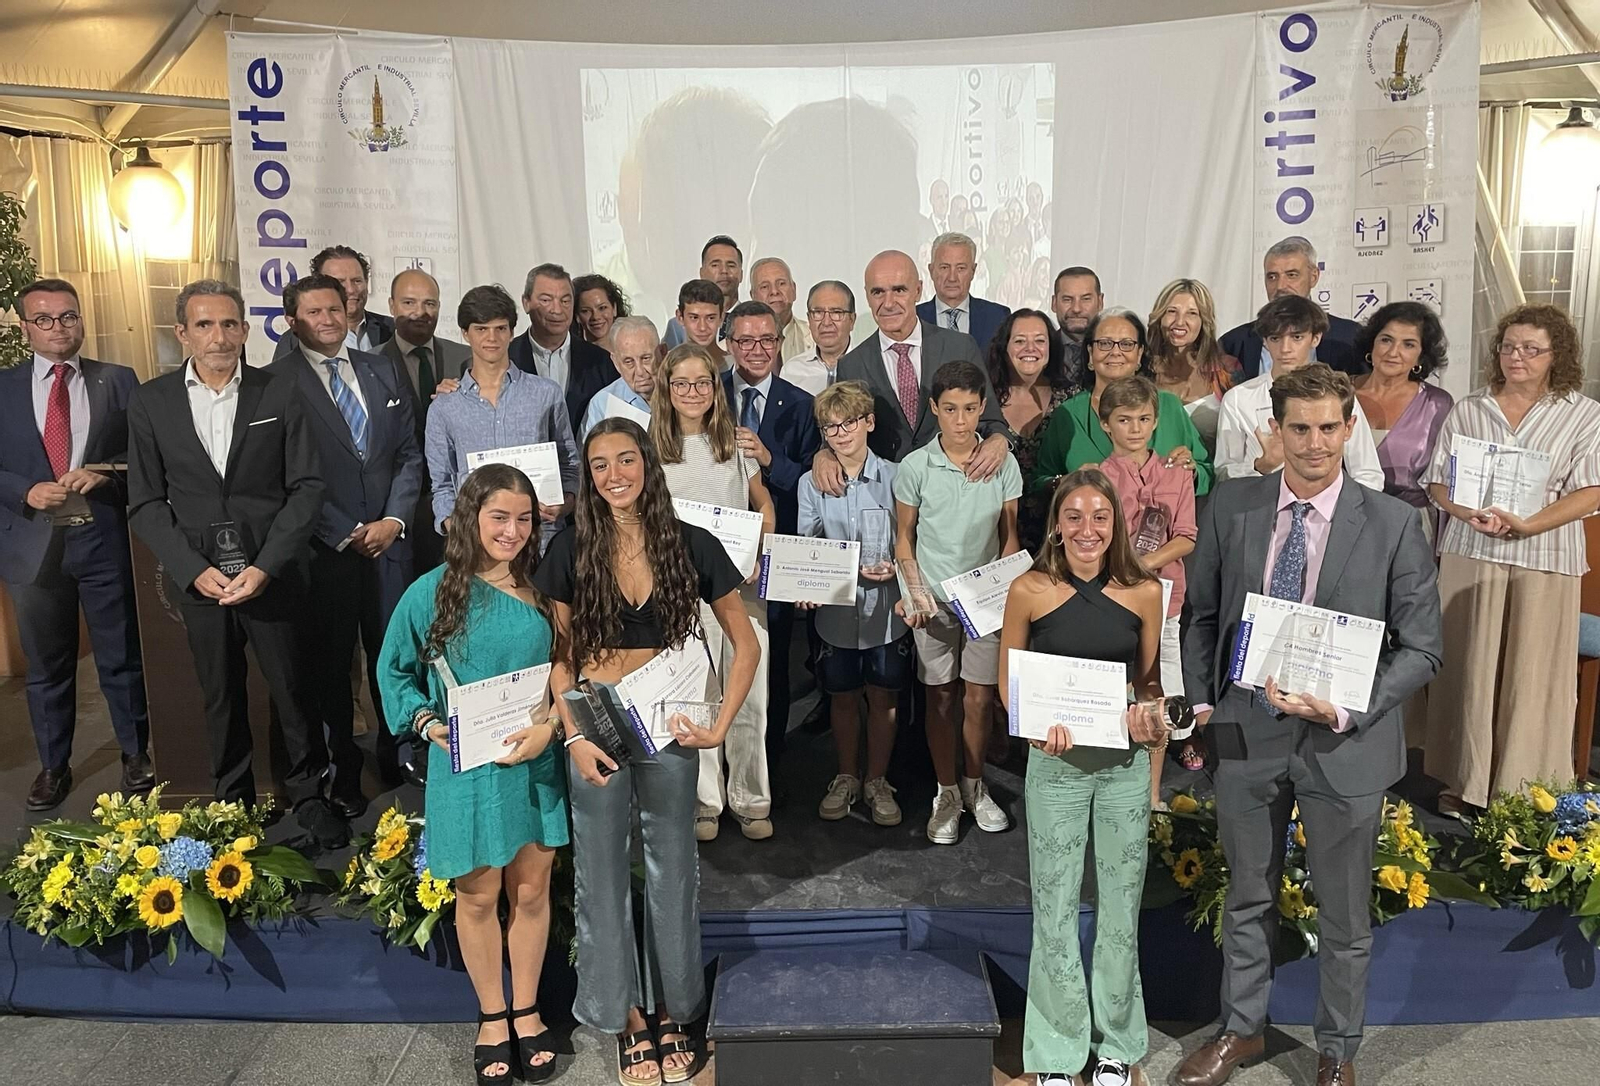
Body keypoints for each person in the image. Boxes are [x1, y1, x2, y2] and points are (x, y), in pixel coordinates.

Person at [1174, 363, 1441, 1086]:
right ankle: (1241, 1031)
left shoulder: (1391, 524)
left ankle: (1337, 1052)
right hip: (1247, 735)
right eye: (1300, 428)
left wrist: (1350, 706)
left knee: (1345, 914)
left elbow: (1422, 649)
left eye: (1329, 427)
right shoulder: (1232, 505)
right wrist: (1204, 706)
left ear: (1349, 429)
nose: (1315, 443)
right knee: (1248, 895)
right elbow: (1199, 618)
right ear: (1275, 430)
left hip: (1343, 743)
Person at [536, 417, 758, 1086]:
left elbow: (744, 643)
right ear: (589, 477)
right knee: (599, 877)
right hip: (596, 725)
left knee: (673, 870)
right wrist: (572, 734)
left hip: (668, 726)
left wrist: (720, 726)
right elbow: (561, 657)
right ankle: (627, 1016)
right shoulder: (570, 548)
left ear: (647, 466)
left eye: (625, 460)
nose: (614, 475)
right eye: (600, 465)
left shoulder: (692, 544)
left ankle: (675, 1011)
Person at [127, 279, 348, 848]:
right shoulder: (151, 401)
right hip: (200, 580)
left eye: (229, 324)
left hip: (272, 574)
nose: (218, 336)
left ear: (246, 330)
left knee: (294, 691)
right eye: (204, 325)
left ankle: (310, 796)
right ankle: (232, 804)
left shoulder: (279, 393)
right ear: (182, 334)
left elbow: (306, 488)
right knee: (219, 694)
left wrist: (267, 565)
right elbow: (147, 502)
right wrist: (189, 567)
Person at [376, 464, 568, 1085]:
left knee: (532, 892)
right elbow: (394, 671)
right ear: (468, 518)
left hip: (535, 763)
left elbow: (568, 675)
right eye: (498, 517)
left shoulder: (544, 596)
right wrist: (428, 723)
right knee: (479, 894)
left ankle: (529, 1009)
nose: (511, 531)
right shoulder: (431, 592)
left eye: (522, 518)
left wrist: (552, 729)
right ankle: (492, 1016)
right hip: (468, 768)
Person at [999, 468, 1169, 1086]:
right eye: (1075, 516)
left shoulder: (1145, 591)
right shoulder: (1028, 589)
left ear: (1115, 523)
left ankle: (1116, 1046)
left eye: (1100, 516)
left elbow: (1149, 687)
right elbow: (1009, 682)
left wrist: (1153, 723)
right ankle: (1054, 1052)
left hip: (1123, 768)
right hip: (1055, 767)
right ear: (1057, 524)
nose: (1087, 528)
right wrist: (1034, 725)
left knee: (1122, 909)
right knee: (1054, 908)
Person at [1423, 303, 1600, 818]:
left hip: (1546, 555)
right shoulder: (1469, 409)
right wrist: (1467, 510)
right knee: (1468, 669)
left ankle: (1526, 788)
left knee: (1534, 674)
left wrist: (1528, 524)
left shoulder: (1583, 414)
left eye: (1530, 349)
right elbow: (1437, 482)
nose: (1516, 357)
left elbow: (1590, 492)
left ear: (1556, 355)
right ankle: (1465, 780)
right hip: (1471, 551)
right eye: (1508, 347)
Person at [265, 273, 424, 816]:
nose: (328, 320)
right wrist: (341, 532)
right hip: (324, 552)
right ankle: (345, 775)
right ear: (292, 320)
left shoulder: (382, 368)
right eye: (314, 312)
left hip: (389, 547)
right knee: (332, 670)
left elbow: (408, 453)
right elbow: (282, 475)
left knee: (395, 658)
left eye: (334, 309)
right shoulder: (275, 382)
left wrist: (394, 520)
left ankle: (401, 757)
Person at [1, 278, 151, 810]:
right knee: (47, 665)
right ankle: (53, 766)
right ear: (25, 328)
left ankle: (137, 755)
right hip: (32, 548)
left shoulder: (119, 380)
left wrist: (105, 473)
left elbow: (146, 456)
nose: (58, 328)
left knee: (122, 656)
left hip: (102, 540)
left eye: (68, 316)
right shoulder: (3, 386)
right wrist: (25, 489)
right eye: (44, 319)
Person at [894, 360, 1023, 844]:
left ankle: (974, 785)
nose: (961, 420)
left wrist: (1002, 589)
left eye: (970, 409)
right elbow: (904, 538)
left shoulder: (1002, 463)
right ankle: (946, 791)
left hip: (985, 601)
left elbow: (1010, 538)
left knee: (979, 696)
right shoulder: (914, 467)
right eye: (950, 409)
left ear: (983, 407)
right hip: (933, 600)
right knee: (939, 695)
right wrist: (916, 591)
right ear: (934, 409)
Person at [652, 343, 778, 841]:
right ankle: (706, 802)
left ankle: (751, 798)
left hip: (739, 587)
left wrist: (758, 551)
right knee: (698, 695)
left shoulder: (736, 443)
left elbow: (764, 505)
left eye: (701, 383)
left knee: (751, 695)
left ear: (715, 388)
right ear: (666, 389)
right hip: (681, 592)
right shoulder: (650, 445)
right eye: (681, 384)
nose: (692, 392)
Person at [797, 381, 910, 825]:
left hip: (887, 610)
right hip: (837, 611)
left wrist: (898, 571)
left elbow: (911, 538)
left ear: (869, 423)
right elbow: (807, 541)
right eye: (830, 426)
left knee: (884, 696)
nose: (840, 433)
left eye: (849, 423)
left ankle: (877, 780)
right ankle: (846, 775)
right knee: (841, 697)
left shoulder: (899, 477)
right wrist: (807, 579)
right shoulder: (813, 482)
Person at [722, 301, 822, 774]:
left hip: (776, 548)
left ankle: (768, 762)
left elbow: (811, 478)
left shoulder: (801, 405)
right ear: (729, 344)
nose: (757, 350)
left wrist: (767, 458)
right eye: (745, 340)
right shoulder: (707, 393)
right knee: (718, 656)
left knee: (773, 656)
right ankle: (719, 762)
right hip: (715, 549)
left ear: (780, 344)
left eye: (766, 340)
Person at [820, 250, 1010, 483]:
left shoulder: (959, 347)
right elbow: (839, 425)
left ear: (918, 291)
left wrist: (999, 441)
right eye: (878, 292)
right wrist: (825, 454)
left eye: (899, 290)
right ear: (867, 297)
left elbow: (992, 420)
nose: (888, 303)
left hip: (954, 489)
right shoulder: (852, 364)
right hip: (886, 496)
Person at [1096, 376, 1198, 791]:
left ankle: (1153, 792)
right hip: (1113, 601)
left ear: (1155, 422)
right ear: (1106, 424)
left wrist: (1145, 563)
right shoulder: (1098, 477)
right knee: (1117, 692)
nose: (1135, 428)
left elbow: (1186, 536)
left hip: (1165, 603)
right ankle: (1112, 784)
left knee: (1158, 694)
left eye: (1143, 419)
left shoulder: (1176, 474)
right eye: (1124, 419)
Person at [426, 285, 579, 544]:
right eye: (481, 329)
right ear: (465, 333)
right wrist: (458, 528)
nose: (492, 338)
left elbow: (570, 465)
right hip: (476, 546)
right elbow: (441, 485)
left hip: (541, 540)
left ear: (511, 332)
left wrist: (564, 503)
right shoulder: (444, 407)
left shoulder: (546, 394)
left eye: (500, 328)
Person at [1029, 308, 1214, 501]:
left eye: (1126, 344)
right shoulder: (1068, 414)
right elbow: (1039, 482)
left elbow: (1207, 473)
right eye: (1105, 344)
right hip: (1090, 529)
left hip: (1164, 529)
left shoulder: (1169, 406)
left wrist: (1190, 471)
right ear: (1090, 354)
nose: (1115, 352)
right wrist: (1069, 482)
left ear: (1140, 353)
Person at [1215, 295, 1385, 490]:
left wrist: (1346, 513)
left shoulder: (1339, 394)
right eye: (1275, 338)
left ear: (1316, 338)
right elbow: (1223, 475)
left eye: (1296, 337)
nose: (1285, 348)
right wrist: (1263, 465)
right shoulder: (1239, 399)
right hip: (1259, 510)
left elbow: (1368, 474)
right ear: (1265, 342)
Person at [383, 267, 472, 578]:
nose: (420, 312)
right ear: (391, 305)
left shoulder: (466, 358)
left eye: (430, 303)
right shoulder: (371, 365)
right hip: (396, 508)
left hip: (459, 506)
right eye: (409, 303)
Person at [1350, 301, 1453, 540]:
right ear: (1372, 344)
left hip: (1410, 527)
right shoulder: (1336, 392)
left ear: (1421, 355)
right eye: (1386, 339)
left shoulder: (1437, 404)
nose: (1393, 352)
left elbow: (1447, 478)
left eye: (1408, 344)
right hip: (1341, 520)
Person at [987, 308, 1078, 553]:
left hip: (1058, 533)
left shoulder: (1072, 398)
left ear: (1051, 348)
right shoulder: (984, 400)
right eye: (1019, 341)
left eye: (1040, 340)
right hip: (992, 535)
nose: (1030, 348)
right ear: (1004, 347)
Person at [1219, 237, 1364, 379]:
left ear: (1313, 277)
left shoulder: (1350, 336)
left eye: (1292, 275)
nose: (1280, 286)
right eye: (1272, 277)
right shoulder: (1233, 343)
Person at [508, 263, 615, 426]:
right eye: (546, 300)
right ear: (526, 303)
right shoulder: (507, 358)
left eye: (565, 301)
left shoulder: (600, 362)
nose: (557, 310)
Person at [1147, 278, 1243, 453]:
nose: (1180, 321)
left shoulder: (1226, 370)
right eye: (1171, 311)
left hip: (1213, 474)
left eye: (1192, 313)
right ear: (1160, 317)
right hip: (1157, 475)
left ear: (1203, 321)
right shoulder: (1142, 370)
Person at [270, 245, 394, 358]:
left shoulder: (393, 330)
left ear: (367, 282)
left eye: (357, 281)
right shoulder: (294, 341)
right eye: (340, 282)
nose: (350, 289)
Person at [917, 232, 1012, 354]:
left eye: (961, 268)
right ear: (931, 271)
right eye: (944, 268)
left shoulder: (998, 317)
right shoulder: (914, 318)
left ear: (973, 271)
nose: (952, 278)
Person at [580, 316, 659, 439]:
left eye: (646, 358)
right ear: (616, 363)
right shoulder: (602, 403)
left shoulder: (682, 391)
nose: (640, 371)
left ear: (662, 352)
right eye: (629, 362)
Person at [663, 236, 744, 349]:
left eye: (731, 265)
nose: (724, 271)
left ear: (741, 274)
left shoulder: (751, 322)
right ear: (702, 272)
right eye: (715, 265)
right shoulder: (677, 326)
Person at [781, 280, 857, 396]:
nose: (826, 322)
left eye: (836, 312)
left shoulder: (868, 366)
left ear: (852, 320)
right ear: (809, 319)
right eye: (818, 313)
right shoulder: (792, 371)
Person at [749, 257, 813, 361]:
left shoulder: (814, 337)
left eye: (781, 284)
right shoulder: (735, 343)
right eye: (765, 287)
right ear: (753, 296)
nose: (774, 291)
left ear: (794, 290)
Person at [1051, 266, 1103, 391]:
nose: (1076, 309)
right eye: (1067, 299)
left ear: (1100, 302)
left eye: (1086, 299)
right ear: (1054, 303)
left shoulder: (1115, 352)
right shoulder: (1041, 350)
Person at [671, 278, 728, 368]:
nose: (702, 327)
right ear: (680, 317)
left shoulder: (737, 368)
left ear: (721, 318)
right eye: (694, 318)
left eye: (710, 318)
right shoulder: (666, 366)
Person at [572, 273, 629, 354]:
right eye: (586, 311)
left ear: (614, 309)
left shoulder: (635, 352)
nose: (595, 317)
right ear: (577, 316)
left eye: (602, 308)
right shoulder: (571, 358)